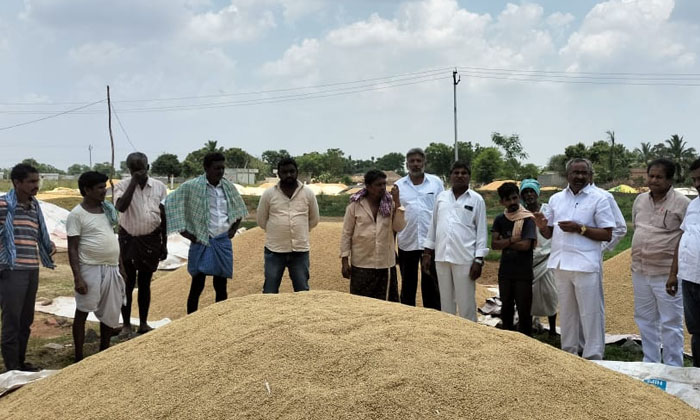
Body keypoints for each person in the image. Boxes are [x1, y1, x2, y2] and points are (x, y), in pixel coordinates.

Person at [534, 158, 614, 360]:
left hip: (586, 264)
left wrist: (581, 229)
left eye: (583, 173)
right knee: (568, 314)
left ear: (590, 175)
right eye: (575, 173)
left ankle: (593, 355)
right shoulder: (555, 199)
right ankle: (569, 353)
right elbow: (549, 234)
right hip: (561, 263)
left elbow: (607, 234)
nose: (579, 177)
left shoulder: (599, 198)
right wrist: (543, 226)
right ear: (566, 175)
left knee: (590, 314)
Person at [165, 152, 247, 314]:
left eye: (222, 168)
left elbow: (239, 209)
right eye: (217, 168)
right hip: (202, 239)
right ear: (206, 168)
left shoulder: (228, 187)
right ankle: (191, 320)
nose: (220, 171)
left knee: (221, 284)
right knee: (198, 283)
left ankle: (219, 318)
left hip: (222, 240)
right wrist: (187, 234)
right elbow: (170, 203)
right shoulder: (192, 186)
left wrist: (232, 230)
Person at [632, 158, 689, 366]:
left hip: (667, 273)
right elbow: (638, 229)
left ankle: (673, 366)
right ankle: (651, 362)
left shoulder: (682, 203)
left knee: (671, 321)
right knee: (645, 318)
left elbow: (684, 238)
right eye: (651, 176)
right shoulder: (640, 200)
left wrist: (674, 273)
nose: (654, 180)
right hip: (639, 270)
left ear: (670, 179)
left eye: (659, 177)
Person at [0, 164, 56, 372]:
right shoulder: (4, 205)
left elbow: (35, 235)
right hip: (11, 270)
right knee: (12, 320)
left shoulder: (35, 207)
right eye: (31, 181)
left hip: (32, 268)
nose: (36, 185)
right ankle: (12, 367)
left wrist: (46, 245)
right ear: (17, 183)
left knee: (26, 319)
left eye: (37, 181)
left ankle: (21, 362)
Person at [67, 171, 125, 362]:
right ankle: (78, 356)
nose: (104, 190)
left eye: (105, 186)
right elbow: (73, 248)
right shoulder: (77, 215)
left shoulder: (108, 209)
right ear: (87, 190)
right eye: (100, 187)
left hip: (111, 267)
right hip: (89, 268)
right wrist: (78, 277)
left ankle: (104, 352)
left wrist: (121, 267)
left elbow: (114, 238)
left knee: (110, 312)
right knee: (83, 310)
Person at [423, 162, 488, 321]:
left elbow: (481, 232)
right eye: (456, 173)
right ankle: (449, 335)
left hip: (464, 258)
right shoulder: (441, 198)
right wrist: (427, 252)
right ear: (450, 176)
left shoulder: (476, 200)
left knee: (466, 302)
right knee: (446, 302)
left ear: (469, 177)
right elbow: (433, 225)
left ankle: (470, 335)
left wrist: (478, 260)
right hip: (442, 257)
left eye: (464, 173)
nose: (460, 176)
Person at [113, 152, 168, 335]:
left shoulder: (159, 187)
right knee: (127, 283)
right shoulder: (121, 187)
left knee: (145, 283)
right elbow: (121, 207)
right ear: (129, 170)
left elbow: (163, 215)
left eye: (141, 168)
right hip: (129, 240)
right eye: (134, 169)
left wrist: (164, 243)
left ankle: (143, 323)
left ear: (148, 167)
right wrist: (133, 183)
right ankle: (127, 324)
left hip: (151, 240)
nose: (138, 172)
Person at [340, 170, 405, 301]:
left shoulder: (390, 204)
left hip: (385, 263)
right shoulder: (355, 205)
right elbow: (347, 233)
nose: (382, 188)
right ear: (368, 187)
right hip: (361, 263)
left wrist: (397, 203)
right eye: (378, 185)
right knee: (361, 302)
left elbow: (399, 227)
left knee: (387, 304)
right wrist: (344, 261)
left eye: (384, 184)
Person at [257, 157, 319, 293]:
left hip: (300, 251)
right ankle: (268, 314)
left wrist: (300, 231)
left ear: (297, 172)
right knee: (270, 290)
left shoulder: (308, 193)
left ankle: (303, 314)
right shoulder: (269, 194)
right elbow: (261, 221)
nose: (288, 175)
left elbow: (314, 219)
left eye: (292, 171)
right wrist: (278, 231)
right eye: (284, 172)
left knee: (302, 289)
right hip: (274, 251)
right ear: (278, 174)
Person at [394, 148, 443, 310]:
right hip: (407, 241)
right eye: (412, 161)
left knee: (431, 285)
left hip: (430, 243)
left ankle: (433, 318)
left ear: (424, 163)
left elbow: (442, 210)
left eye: (418, 161)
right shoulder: (399, 186)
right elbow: (394, 215)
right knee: (408, 284)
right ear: (406, 164)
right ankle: (409, 320)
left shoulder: (436, 183)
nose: (415, 164)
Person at [491, 182, 536, 335]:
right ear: (502, 202)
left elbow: (526, 245)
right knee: (506, 308)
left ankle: (525, 342)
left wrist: (505, 242)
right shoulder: (499, 219)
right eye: (508, 200)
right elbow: (494, 245)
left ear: (519, 197)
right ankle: (507, 340)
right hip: (506, 272)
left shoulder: (528, 219)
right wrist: (512, 240)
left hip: (523, 272)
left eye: (514, 198)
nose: (512, 202)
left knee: (524, 309)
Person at [667, 157, 700, 367]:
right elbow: (683, 237)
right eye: (695, 179)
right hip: (690, 278)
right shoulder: (694, 205)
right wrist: (673, 273)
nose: (697, 184)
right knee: (697, 331)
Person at [520, 179, 558, 336]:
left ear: (537, 193)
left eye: (531, 191)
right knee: (529, 295)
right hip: (529, 259)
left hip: (547, 257)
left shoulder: (547, 210)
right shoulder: (520, 213)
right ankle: (529, 328)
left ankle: (552, 330)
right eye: (526, 192)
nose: (529, 195)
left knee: (550, 294)